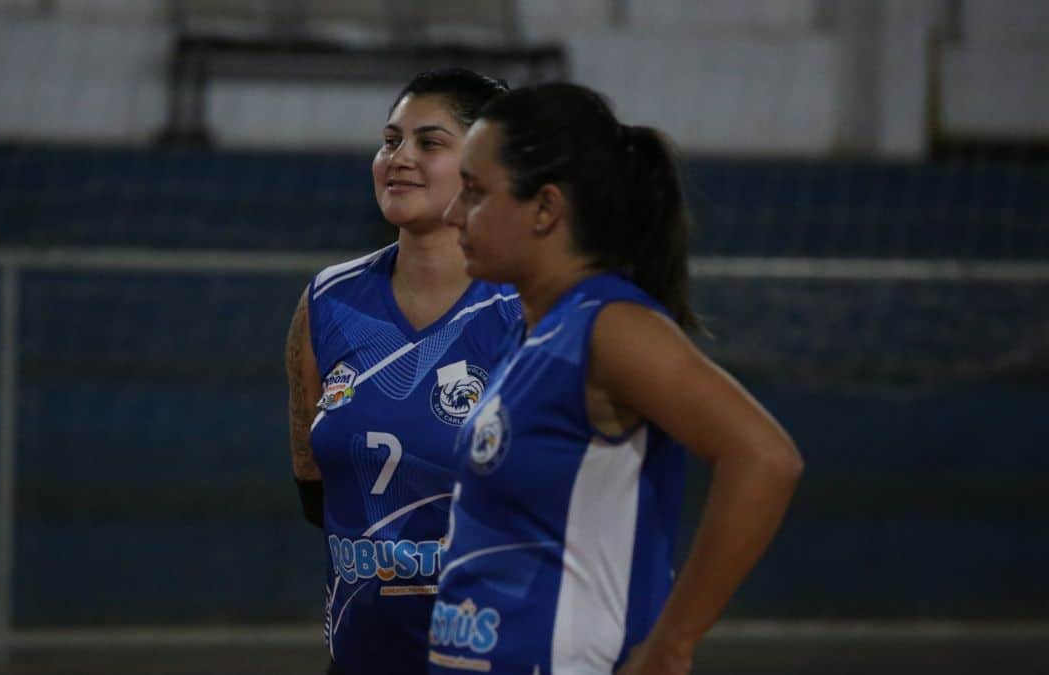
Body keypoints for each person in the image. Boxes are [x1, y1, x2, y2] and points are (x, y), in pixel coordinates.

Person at [431, 83, 804, 675]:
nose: (453, 213)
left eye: (475, 193)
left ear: (546, 208)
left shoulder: (612, 328)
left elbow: (766, 458)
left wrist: (671, 645)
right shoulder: (524, 335)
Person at [284, 68, 519, 675]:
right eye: (390, 141)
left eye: (429, 142)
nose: (399, 157)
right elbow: (314, 484)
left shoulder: (530, 310)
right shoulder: (328, 300)